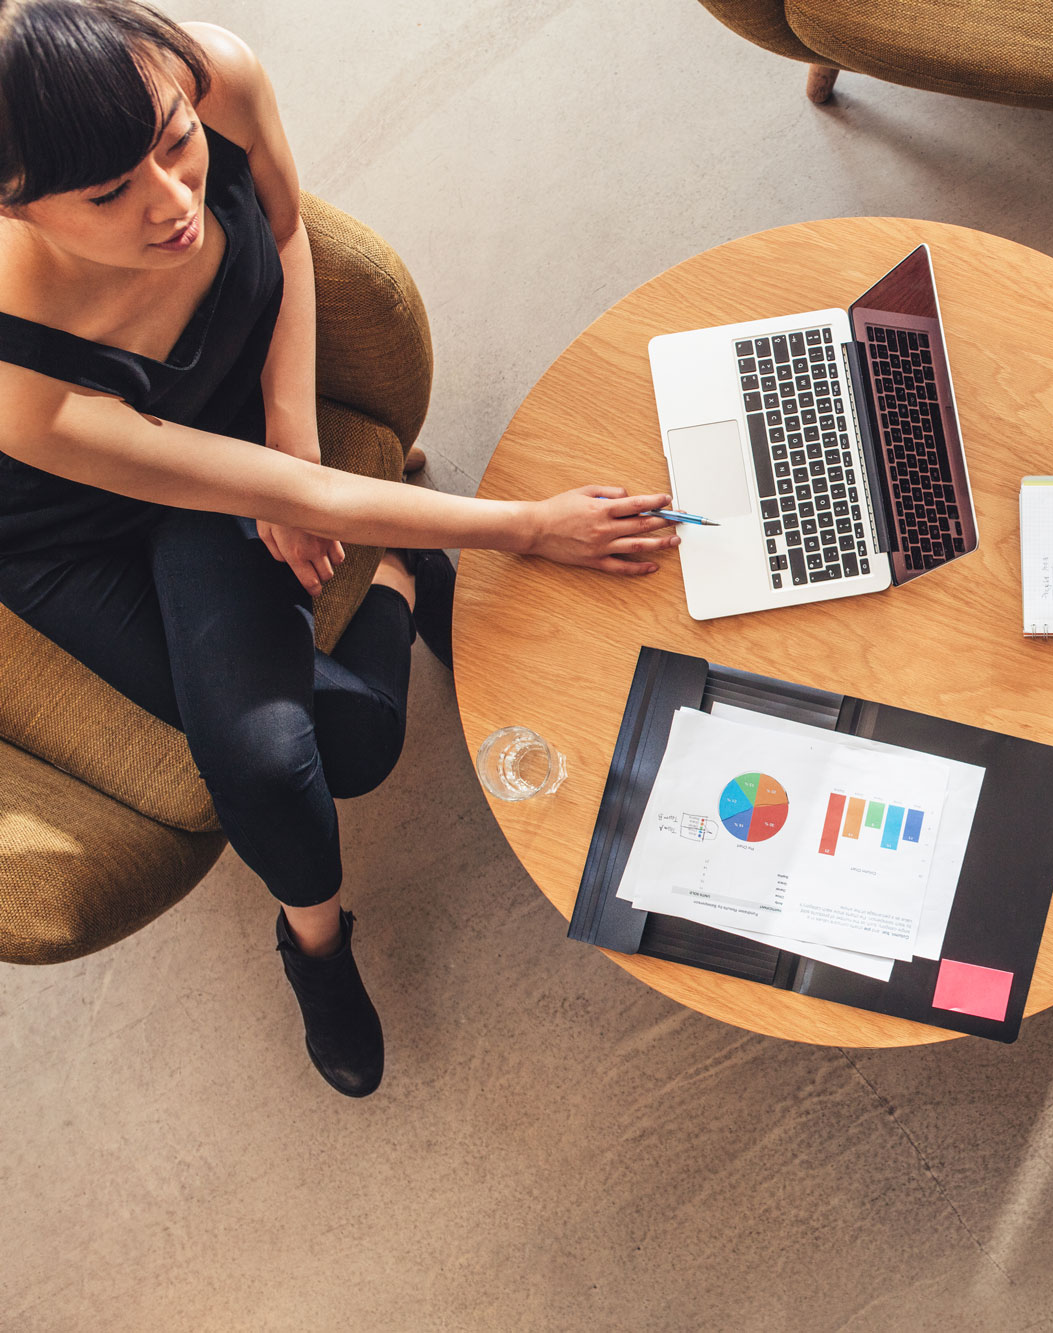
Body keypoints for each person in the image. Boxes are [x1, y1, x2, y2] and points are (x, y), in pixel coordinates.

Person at [0, 1, 683, 1096]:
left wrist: (293, 431)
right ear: (18, 205)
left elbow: (278, 231)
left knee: (286, 758)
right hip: (68, 528)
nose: (173, 201)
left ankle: (398, 581)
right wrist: (526, 526)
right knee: (332, 749)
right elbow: (218, 483)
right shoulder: (18, 377)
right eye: (109, 194)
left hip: (230, 438)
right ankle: (316, 945)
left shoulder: (213, 68)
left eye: (174, 143)